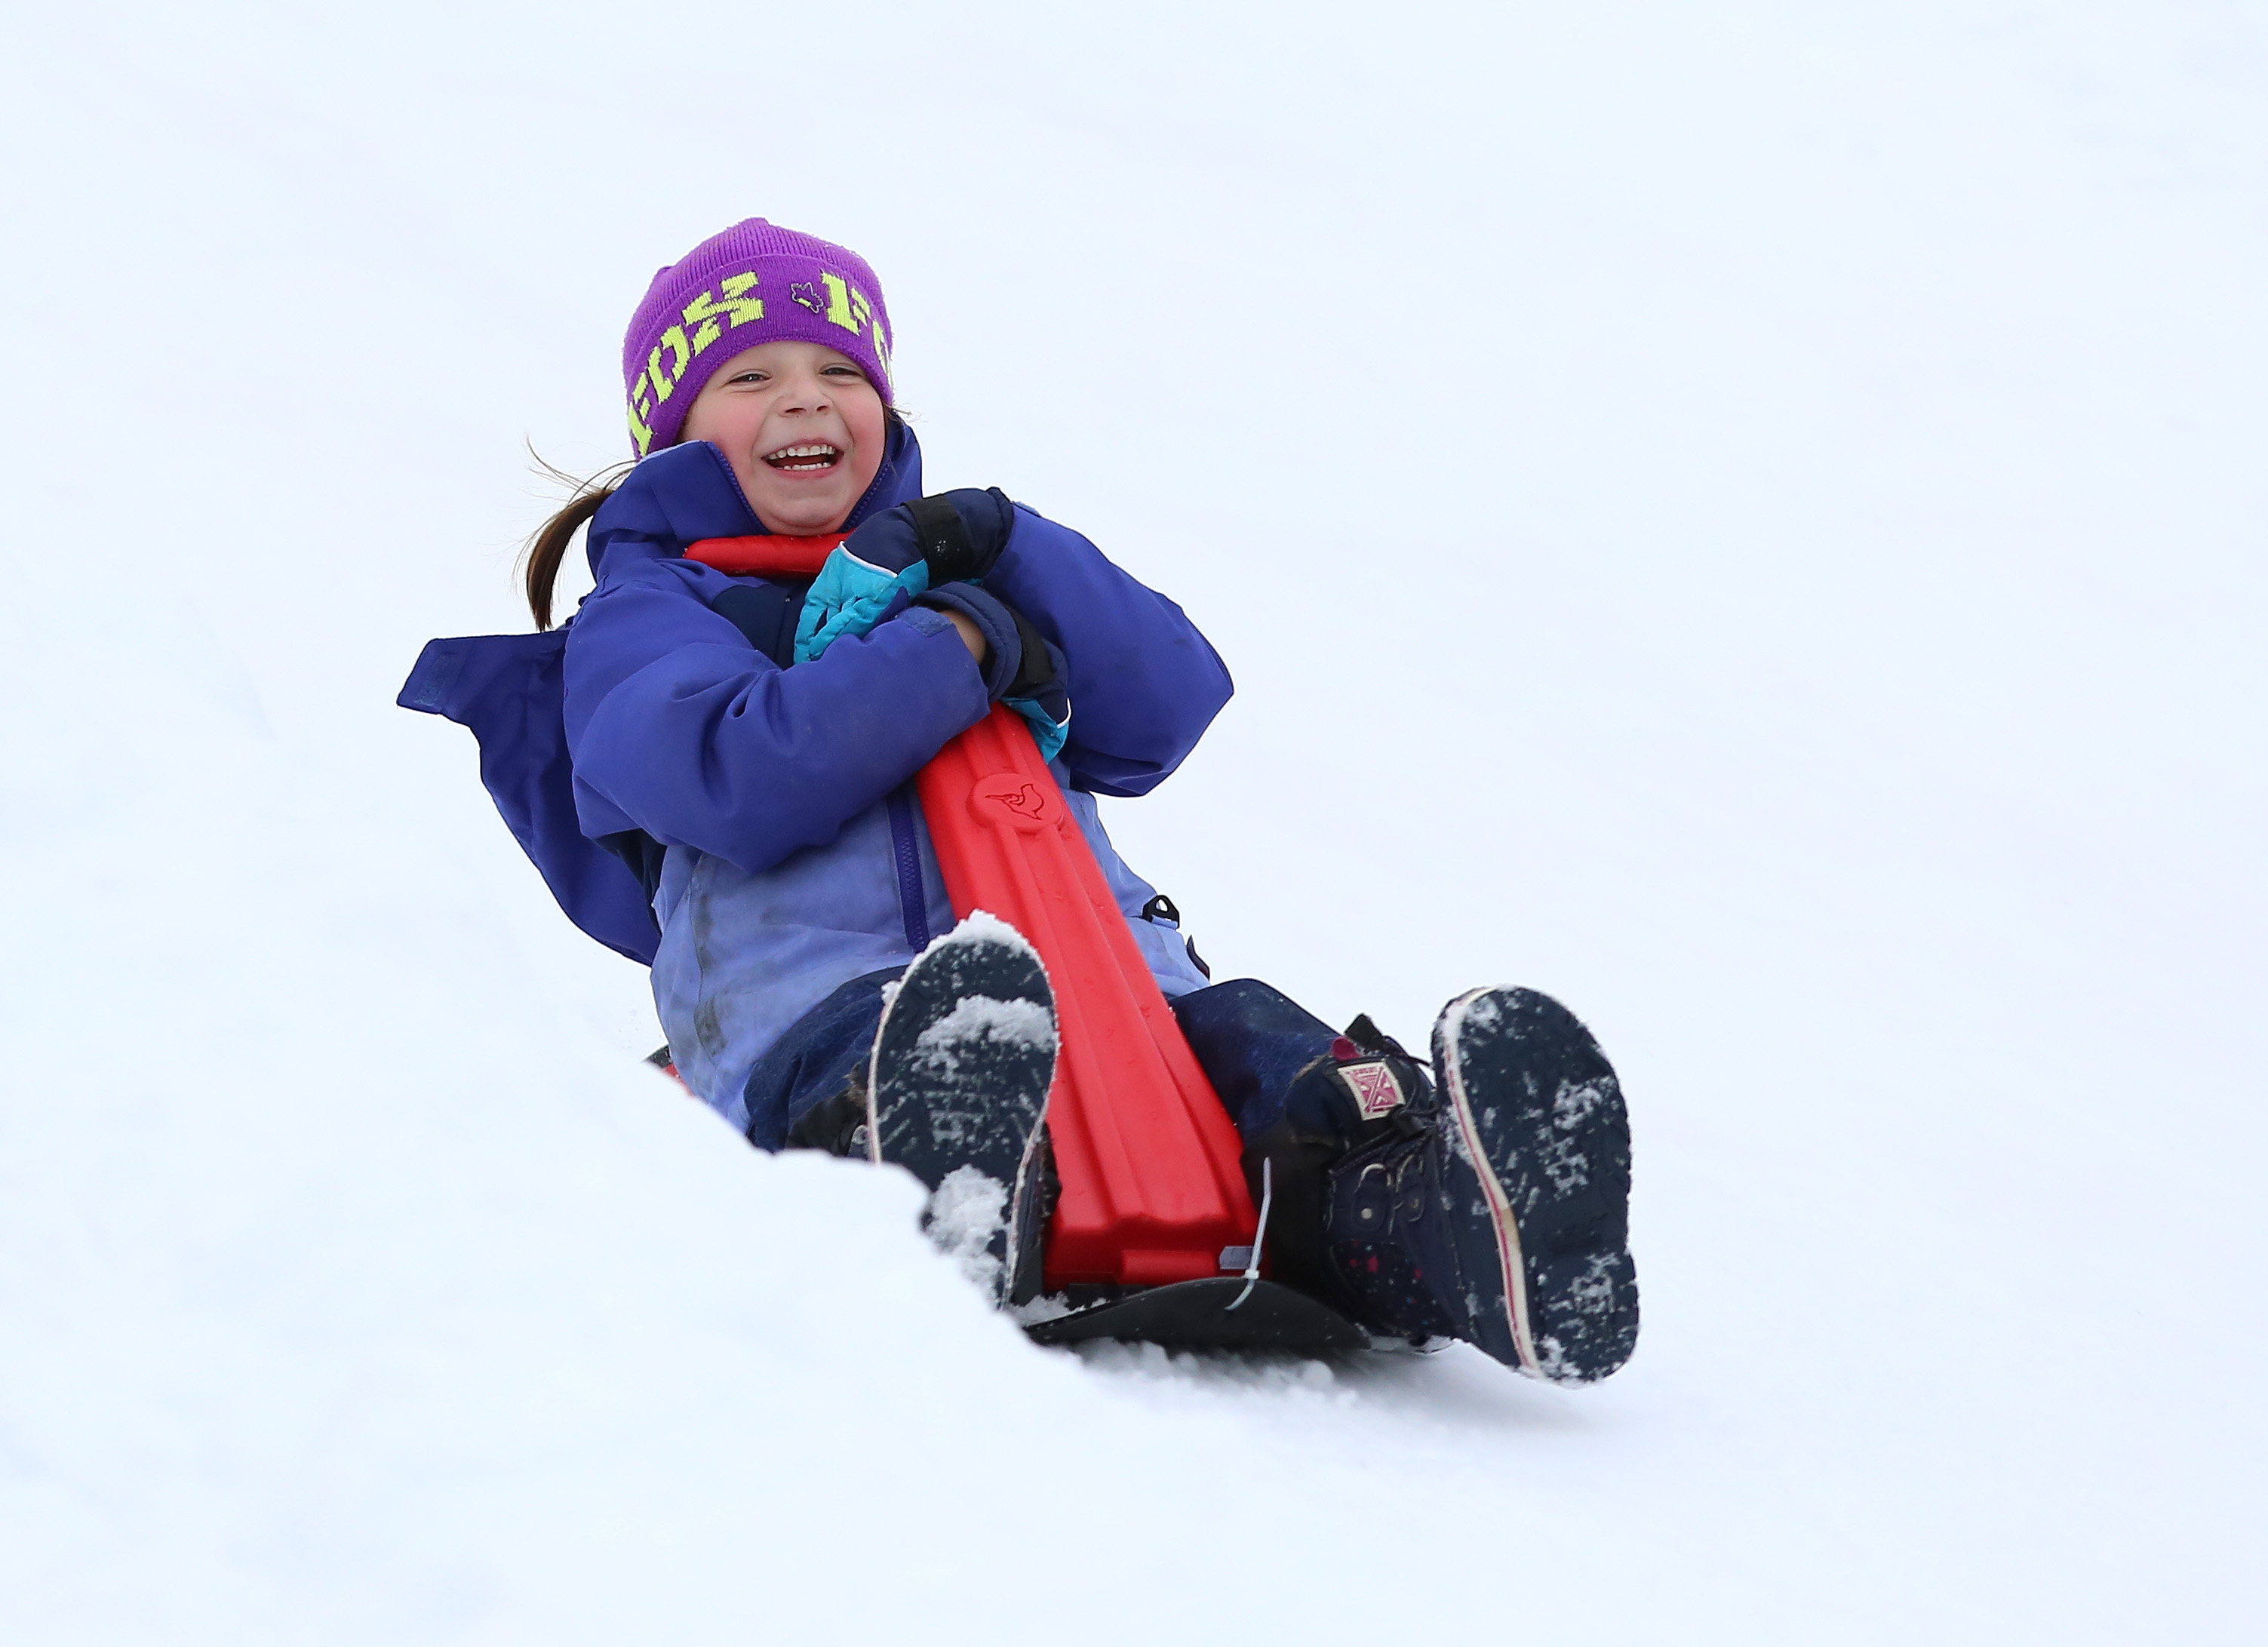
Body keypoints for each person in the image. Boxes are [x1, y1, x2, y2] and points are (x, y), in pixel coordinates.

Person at [401, 220, 1638, 1385]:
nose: (804, 398)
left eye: (842, 366)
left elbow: (1166, 708)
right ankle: (938, 1186)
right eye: (749, 377)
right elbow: (731, 778)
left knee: (1255, 1051)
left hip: (1107, 978)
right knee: (910, 1052)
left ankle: (1435, 1220)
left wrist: (1003, 547)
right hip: (816, 1003)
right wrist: (953, 647)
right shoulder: (648, 617)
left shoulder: (964, 567)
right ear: (669, 431)